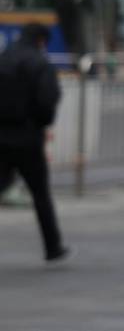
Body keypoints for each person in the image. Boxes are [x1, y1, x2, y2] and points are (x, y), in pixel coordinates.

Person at [0, 23, 70, 263]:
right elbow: (47, 100)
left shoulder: (4, 58)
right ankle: (53, 246)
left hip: (2, 137)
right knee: (40, 194)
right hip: (28, 138)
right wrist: (39, 123)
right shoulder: (40, 64)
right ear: (41, 40)